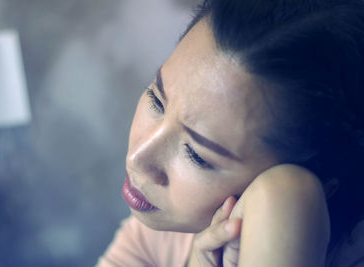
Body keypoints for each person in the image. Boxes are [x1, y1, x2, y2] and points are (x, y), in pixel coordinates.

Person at [97, 0, 364, 266]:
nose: (137, 160)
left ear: (325, 189)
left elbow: (287, 193)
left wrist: (287, 194)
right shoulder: (153, 238)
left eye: (196, 155)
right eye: (156, 100)